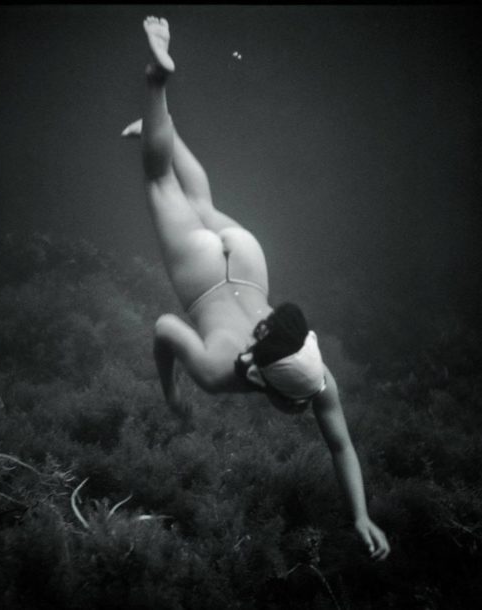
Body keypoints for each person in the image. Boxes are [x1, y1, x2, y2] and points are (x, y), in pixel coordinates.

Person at [122, 16, 390, 561]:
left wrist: (360, 516)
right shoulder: (220, 374)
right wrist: (172, 394)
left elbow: (341, 446)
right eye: (299, 405)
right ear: (272, 389)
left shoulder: (312, 370)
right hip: (203, 275)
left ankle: (163, 123)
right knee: (159, 179)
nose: (306, 409)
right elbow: (165, 326)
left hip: (246, 258)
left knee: (202, 200)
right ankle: (155, 83)